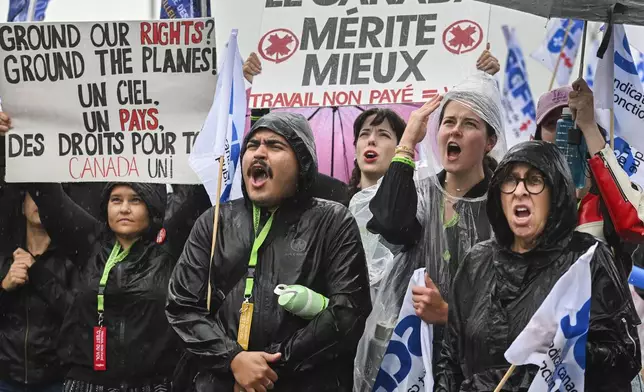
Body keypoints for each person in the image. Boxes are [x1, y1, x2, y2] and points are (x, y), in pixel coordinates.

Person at [166, 112, 372, 392]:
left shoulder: (333, 221)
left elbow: (348, 312)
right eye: (253, 145)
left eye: (275, 146)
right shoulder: (214, 222)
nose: (259, 153)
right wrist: (233, 361)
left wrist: (268, 369)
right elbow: (182, 306)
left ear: (302, 163)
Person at [435, 140, 641, 391]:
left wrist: (562, 350)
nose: (520, 191)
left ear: (555, 192)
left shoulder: (587, 259)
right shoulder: (476, 262)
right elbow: (451, 358)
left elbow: (623, 357)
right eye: (510, 180)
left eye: (534, 180)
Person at [354, 71, 507, 388]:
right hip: (411, 359)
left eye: (470, 124)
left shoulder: (504, 206)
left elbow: (511, 303)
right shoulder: (420, 195)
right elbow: (389, 223)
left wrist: (450, 316)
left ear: (490, 141)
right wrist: (407, 140)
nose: (456, 131)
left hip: (478, 366)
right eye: (449, 122)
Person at [0, 189, 75, 392]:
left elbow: (78, 315)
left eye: (47, 195)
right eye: (34, 194)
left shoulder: (72, 257)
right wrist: (5, 287)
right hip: (6, 378)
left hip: (55, 380)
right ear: (22, 205)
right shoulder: (5, 254)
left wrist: (37, 272)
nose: (40, 201)